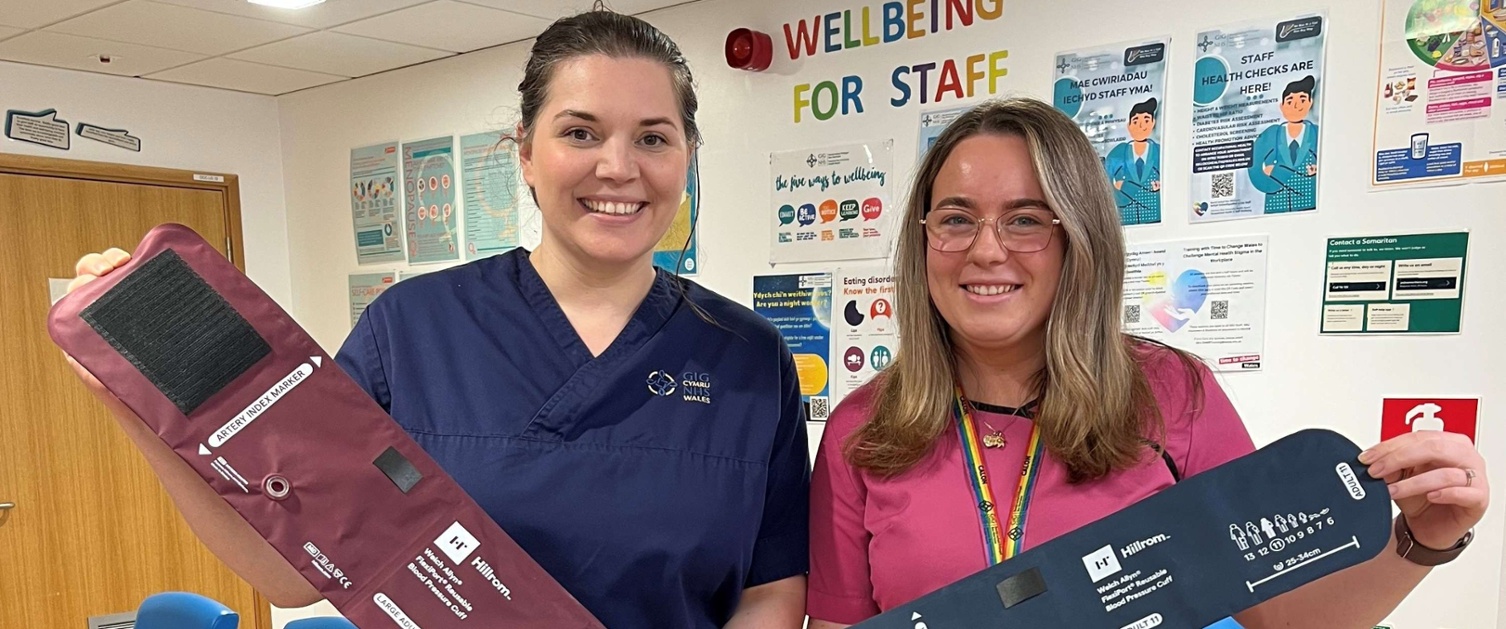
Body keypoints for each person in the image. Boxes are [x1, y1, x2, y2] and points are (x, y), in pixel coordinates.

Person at [64, 9, 809, 628]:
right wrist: (130, 396)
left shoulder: (745, 355)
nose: (618, 167)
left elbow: (773, 585)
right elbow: (293, 571)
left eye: (653, 136)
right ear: (523, 152)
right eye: (579, 132)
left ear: (687, 156)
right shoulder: (412, 329)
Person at [806, 97, 1489, 627]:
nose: (987, 249)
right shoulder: (865, 429)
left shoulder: (1171, 394)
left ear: (1079, 237)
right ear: (923, 240)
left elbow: (1280, 613)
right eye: (956, 218)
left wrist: (1421, 541)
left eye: (1025, 219)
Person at [1249, 75, 1319, 214]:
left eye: (1302, 99)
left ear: (1310, 103)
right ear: (1282, 106)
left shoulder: (1317, 134)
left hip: (1310, 208)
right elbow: (1253, 166)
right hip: (1276, 208)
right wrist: (1269, 184)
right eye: (1290, 101)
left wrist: (1318, 171)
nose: (1296, 105)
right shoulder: (1271, 134)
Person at [1104, 97, 1161, 224]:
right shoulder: (1118, 153)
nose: (1141, 126)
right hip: (1125, 221)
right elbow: (1103, 183)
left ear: (1153, 123)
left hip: (1155, 220)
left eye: (1146, 120)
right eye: (1136, 121)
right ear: (1129, 126)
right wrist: (1118, 189)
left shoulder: (1160, 152)